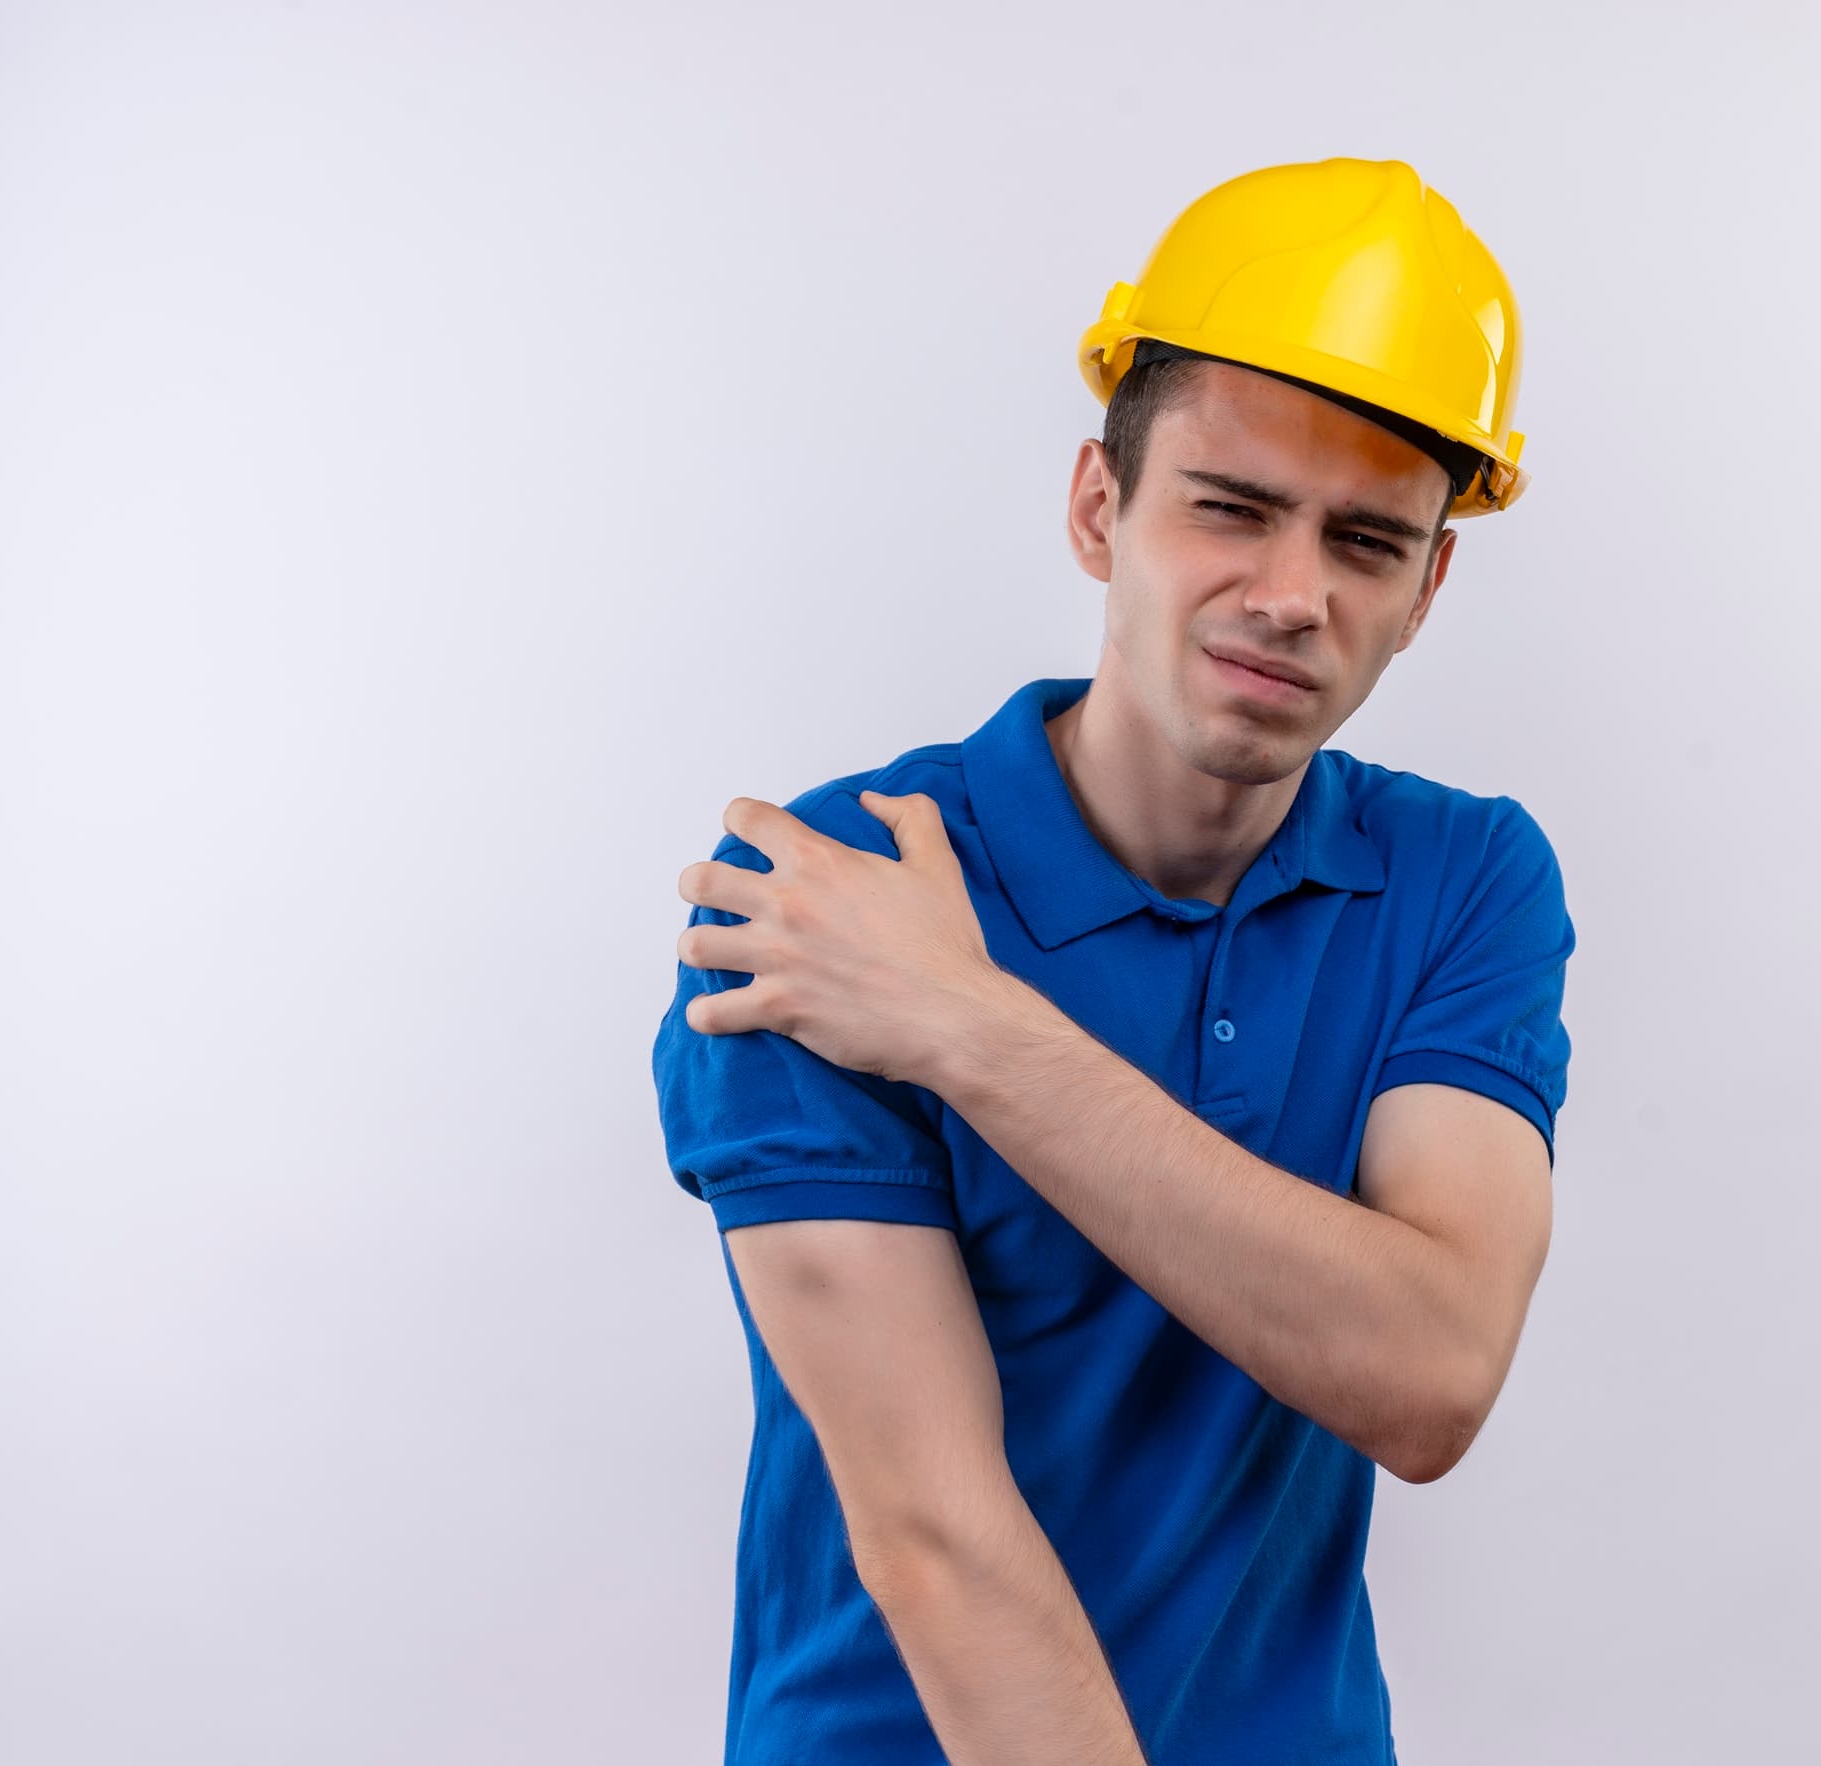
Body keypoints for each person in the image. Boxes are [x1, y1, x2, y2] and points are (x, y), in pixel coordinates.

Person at [652, 155, 1574, 1766]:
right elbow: (938, 1535)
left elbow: (1428, 1373)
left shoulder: (1461, 878)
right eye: (1231, 508)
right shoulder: (820, 898)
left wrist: (968, 1026)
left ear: (1429, 587)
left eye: (1366, 542)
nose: (1291, 596)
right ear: (1101, 508)